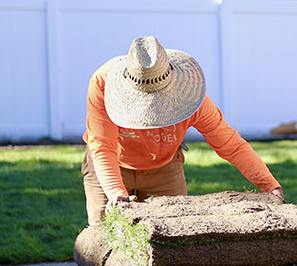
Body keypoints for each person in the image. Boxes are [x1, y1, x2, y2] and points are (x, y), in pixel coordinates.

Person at [82, 35, 283, 225]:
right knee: (106, 232)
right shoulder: (103, 84)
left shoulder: (191, 96)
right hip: (111, 164)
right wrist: (116, 194)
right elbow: (102, 145)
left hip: (165, 166)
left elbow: (231, 144)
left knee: (173, 232)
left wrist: (270, 186)